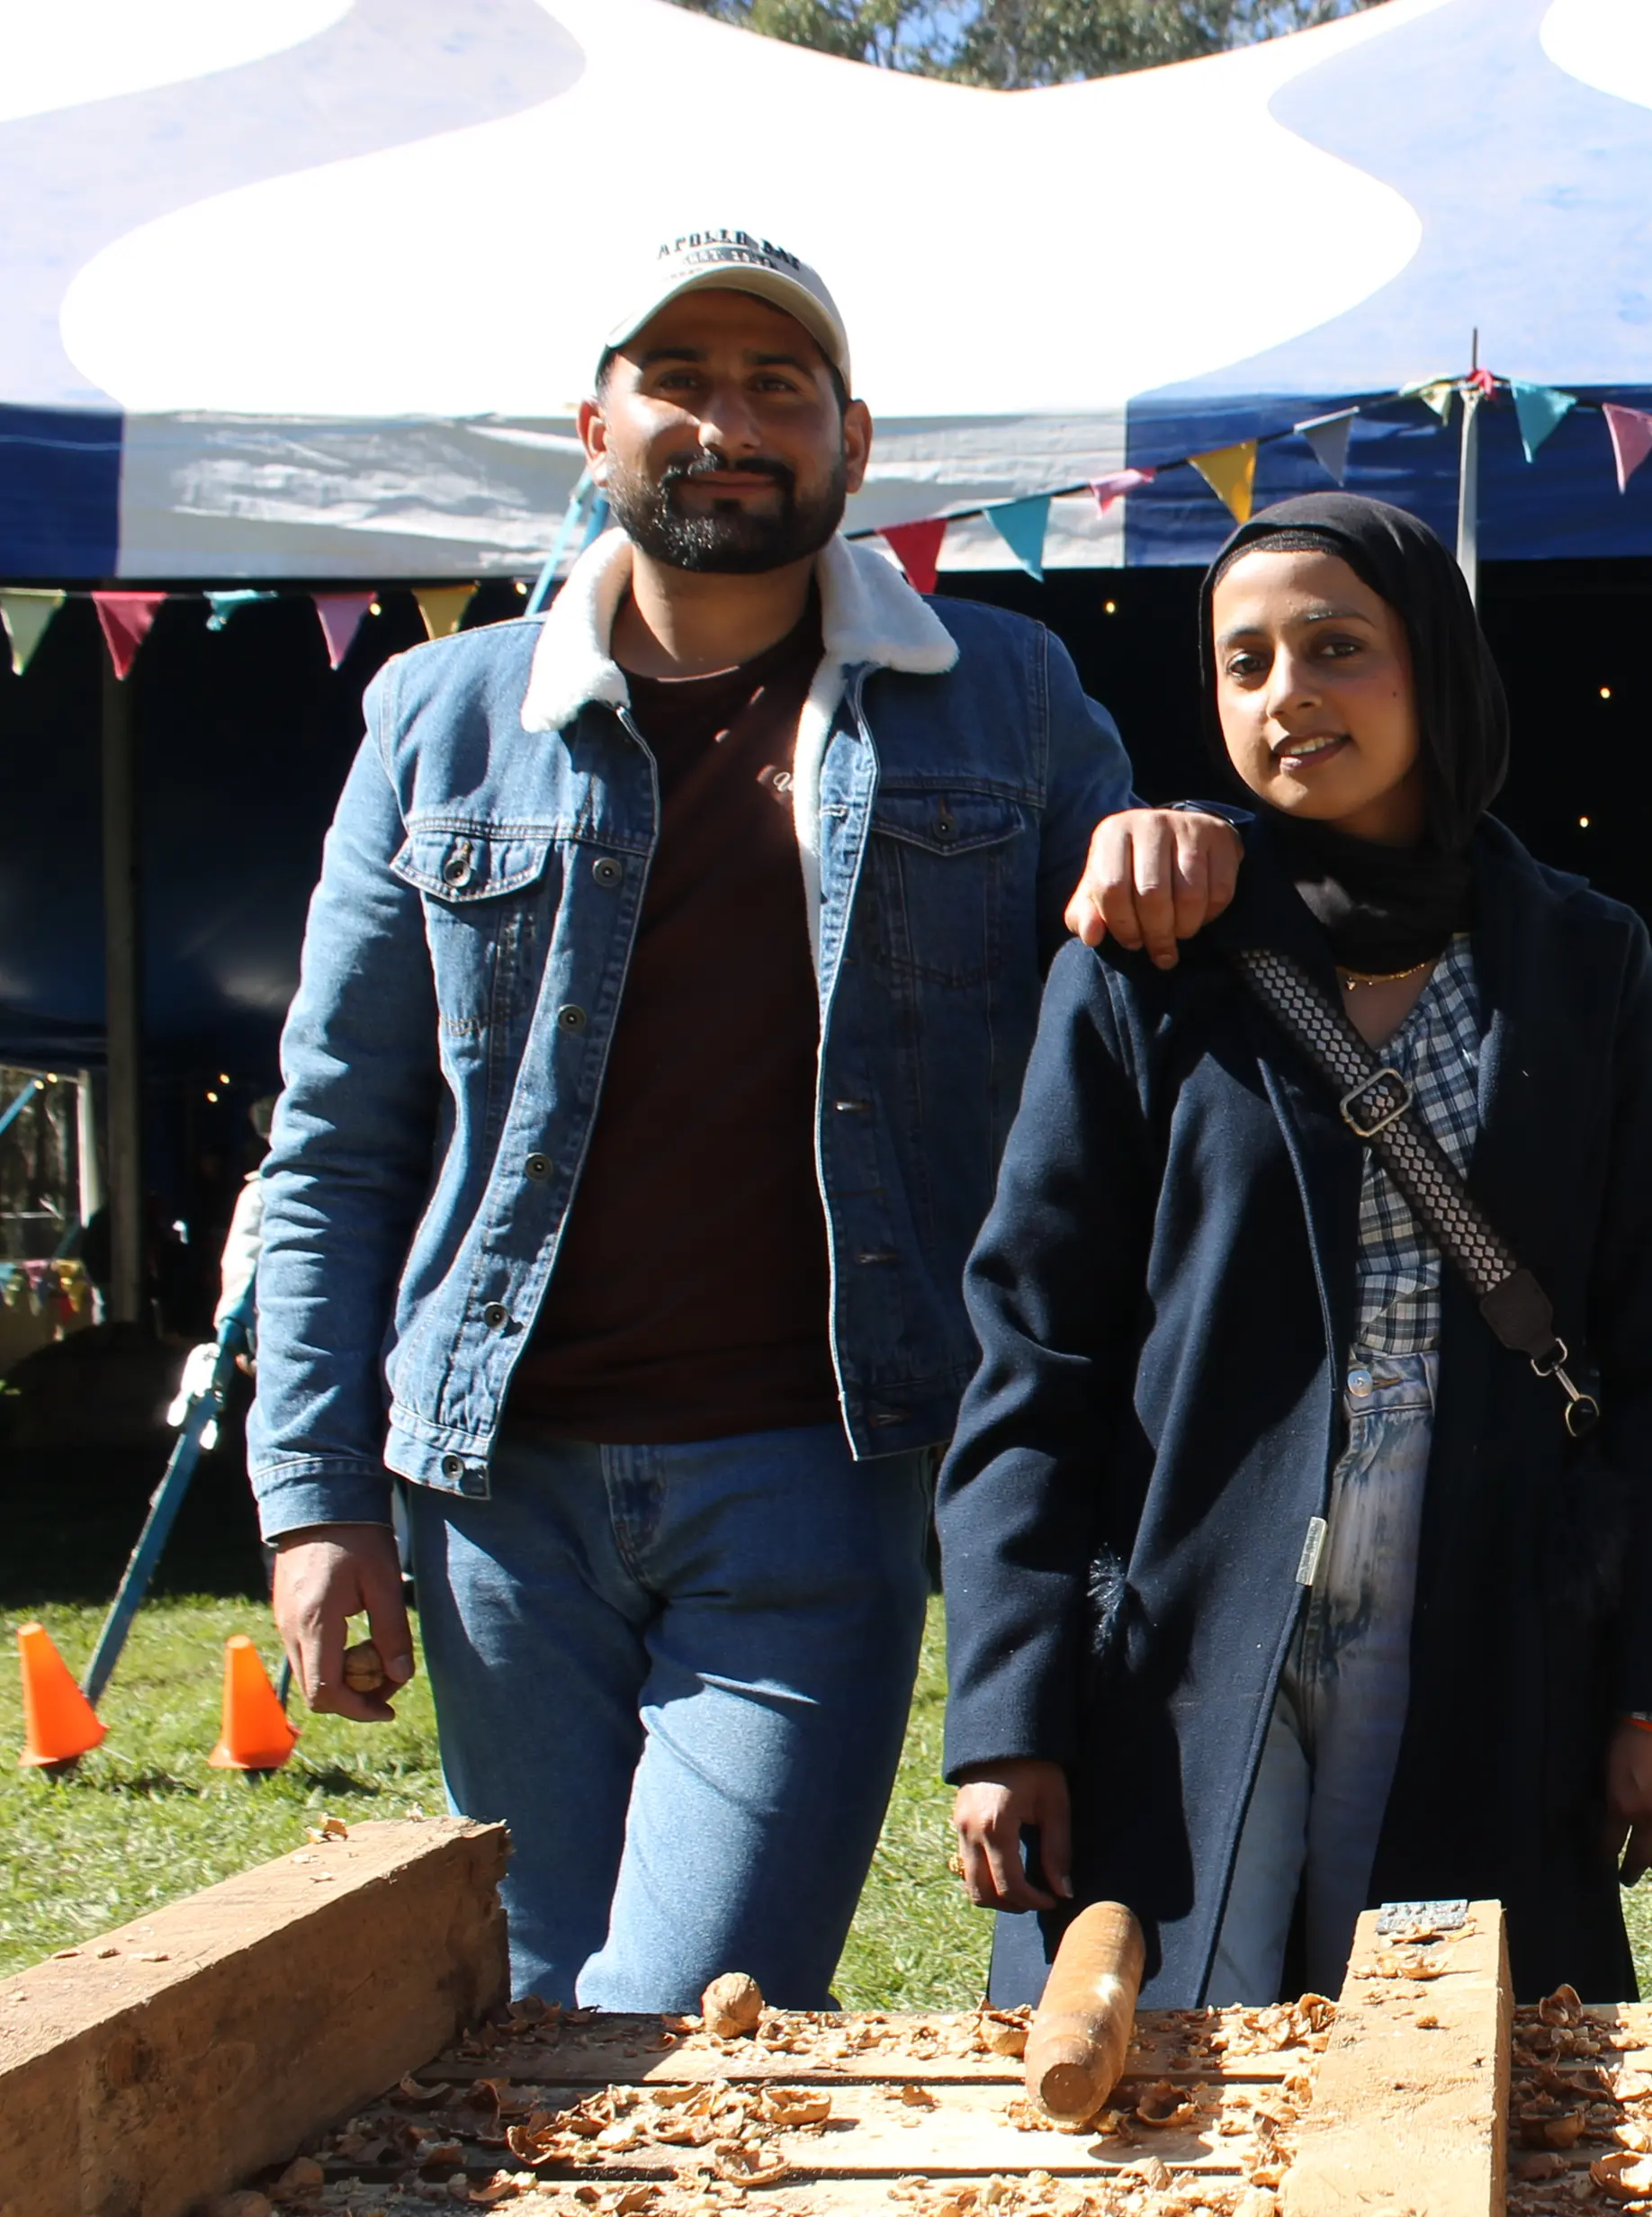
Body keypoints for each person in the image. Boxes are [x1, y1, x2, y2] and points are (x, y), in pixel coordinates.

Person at [250, 229, 1150, 2012]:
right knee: (518, 2007)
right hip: (490, 1484)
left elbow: (1136, 1046)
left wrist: (1180, 846)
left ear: (855, 440)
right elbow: (335, 1141)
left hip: (815, 1466)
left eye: (777, 386)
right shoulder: (437, 720)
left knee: (684, 2017)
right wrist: (312, 1496)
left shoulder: (1009, 694)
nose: (728, 422)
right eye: (682, 381)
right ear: (598, 425)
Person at [935, 494, 1652, 2010]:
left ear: (1437, 668)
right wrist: (1005, 1712)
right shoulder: (1153, 962)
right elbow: (1034, 1351)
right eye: (1244, 662)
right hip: (1186, 1606)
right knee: (1173, 2058)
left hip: (1489, 1590)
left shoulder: (1583, 961)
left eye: (1336, 647)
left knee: (1432, 2052)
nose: (1286, 692)